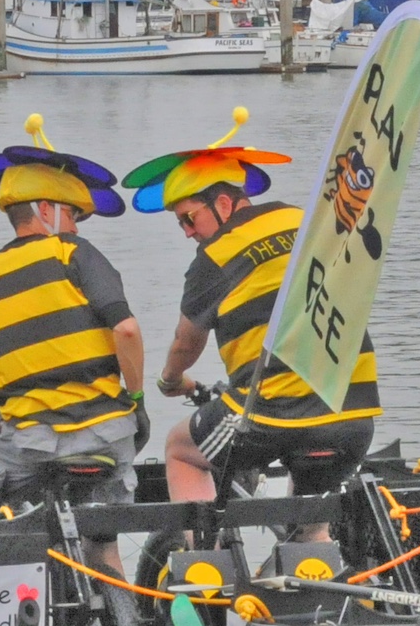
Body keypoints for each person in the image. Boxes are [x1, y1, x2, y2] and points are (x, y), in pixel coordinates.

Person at [124, 107, 380, 535]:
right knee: (309, 521)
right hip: (353, 412)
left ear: (223, 203)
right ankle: (312, 579)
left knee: (181, 449)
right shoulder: (309, 221)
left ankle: (207, 571)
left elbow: (187, 344)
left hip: (272, 413)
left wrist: (170, 380)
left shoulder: (216, 254)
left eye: (190, 218)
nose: (187, 232)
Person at [0, 113, 146, 575]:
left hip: (29, 445)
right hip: (107, 434)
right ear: (46, 210)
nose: (77, 227)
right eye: (72, 215)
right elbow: (126, 330)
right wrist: (138, 399)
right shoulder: (74, 254)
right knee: (102, 538)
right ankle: (121, 609)